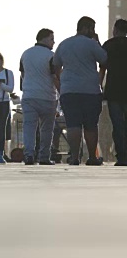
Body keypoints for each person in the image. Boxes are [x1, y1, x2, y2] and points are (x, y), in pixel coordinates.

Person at [53, 16, 107, 166]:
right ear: (86, 28)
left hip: (69, 91)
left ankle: (75, 157)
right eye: (92, 29)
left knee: (73, 125)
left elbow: (56, 65)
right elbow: (104, 59)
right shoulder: (91, 44)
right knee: (90, 125)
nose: (93, 32)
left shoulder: (64, 44)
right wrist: (97, 41)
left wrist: (62, 79)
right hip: (90, 90)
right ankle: (92, 157)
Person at [19, 28, 59, 165]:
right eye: (52, 39)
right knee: (47, 129)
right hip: (48, 97)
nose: (54, 42)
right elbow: (55, 77)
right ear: (44, 38)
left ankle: (29, 154)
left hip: (29, 96)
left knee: (29, 126)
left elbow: (23, 75)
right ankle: (44, 156)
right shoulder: (51, 56)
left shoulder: (26, 54)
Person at [100, 18, 127, 166]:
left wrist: (99, 86)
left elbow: (102, 68)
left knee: (117, 125)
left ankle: (122, 156)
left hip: (113, 91)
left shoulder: (108, 45)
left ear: (115, 30)